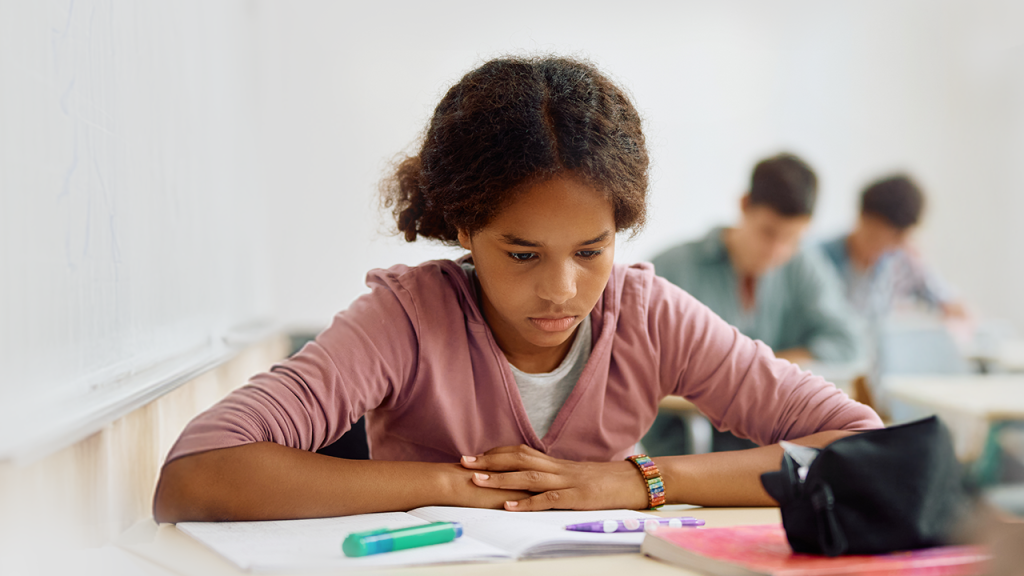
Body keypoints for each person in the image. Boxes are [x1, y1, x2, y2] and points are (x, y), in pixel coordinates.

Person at [152, 56, 881, 523]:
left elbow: (863, 451)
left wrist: (637, 480)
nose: (562, 290)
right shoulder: (407, 320)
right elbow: (195, 475)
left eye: (591, 251)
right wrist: (450, 486)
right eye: (524, 252)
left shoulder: (647, 315)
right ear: (466, 227)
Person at [643, 154, 863, 455]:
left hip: (772, 447)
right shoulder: (673, 267)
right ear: (745, 205)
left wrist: (759, 370)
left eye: (792, 238)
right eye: (768, 232)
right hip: (682, 445)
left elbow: (850, 343)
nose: (777, 250)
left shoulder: (805, 267)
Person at [821, 174, 966, 322]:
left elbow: (955, 307)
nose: (880, 247)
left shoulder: (901, 261)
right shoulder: (819, 259)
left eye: (895, 240)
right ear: (862, 217)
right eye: (873, 235)